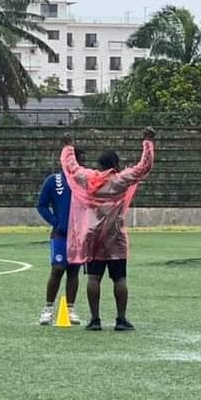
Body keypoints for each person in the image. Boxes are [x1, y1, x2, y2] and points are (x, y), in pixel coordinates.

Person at [60, 128, 155, 331]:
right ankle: (121, 319)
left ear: (99, 165)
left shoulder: (88, 179)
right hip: (115, 237)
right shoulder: (120, 180)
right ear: (116, 165)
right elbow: (143, 167)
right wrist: (147, 142)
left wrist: (68, 146)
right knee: (119, 278)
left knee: (93, 277)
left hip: (92, 236)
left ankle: (95, 320)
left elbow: (72, 167)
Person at [36, 149, 86, 326]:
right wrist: (55, 222)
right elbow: (41, 205)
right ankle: (48, 309)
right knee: (57, 269)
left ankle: (70, 309)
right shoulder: (53, 181)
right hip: (60, 235)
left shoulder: (84, 182)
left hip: (79, 236)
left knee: (74, 271)